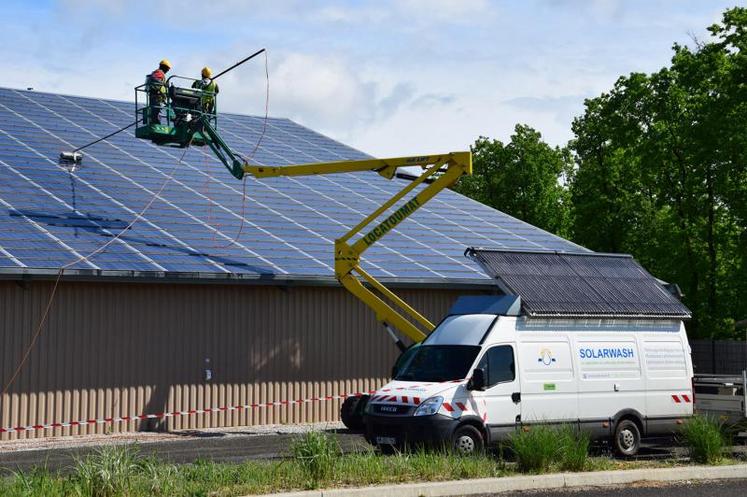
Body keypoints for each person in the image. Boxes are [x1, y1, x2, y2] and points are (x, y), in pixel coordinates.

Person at [146, 59, 171, 124]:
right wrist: (164, 86)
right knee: (156, 112)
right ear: (165, 67)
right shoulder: (159, 73)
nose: (168, 71)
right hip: (157, 97)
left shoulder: (157, 73)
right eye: (168, 69)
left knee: (156, 112)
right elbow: (157, 83)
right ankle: (155, 123)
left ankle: (155, 122)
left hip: (157, 97)